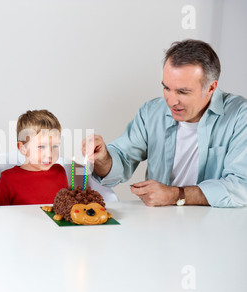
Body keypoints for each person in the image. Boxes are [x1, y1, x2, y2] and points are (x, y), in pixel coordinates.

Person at [83, 39, 247, 208]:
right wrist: (103, 159)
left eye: (182, 92)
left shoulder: (240, 116)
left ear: (211, 88)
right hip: (160, 224)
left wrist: (176, 195)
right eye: (167, 88)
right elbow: (122, 160)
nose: (171, 101)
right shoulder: (152, 112)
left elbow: (241, 186)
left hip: (218, 226)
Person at [0, 110, 68, 205]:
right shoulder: (8, 179)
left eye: (55, 146)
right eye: (41, 147)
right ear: (23, 148)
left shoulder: (60, 172)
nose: (49, 154)